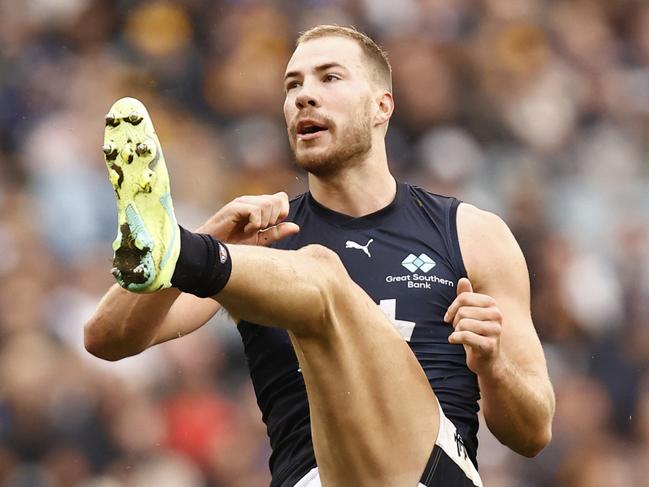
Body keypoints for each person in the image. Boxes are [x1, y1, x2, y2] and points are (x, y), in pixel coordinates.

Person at [85, 25, 555, 487]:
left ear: (381, 106)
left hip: (432, 474)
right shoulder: (262, 241)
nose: (304, 96)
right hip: (309, 480)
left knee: (322, 273)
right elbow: (106, 339)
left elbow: (533, 433)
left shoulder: (470, 233)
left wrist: (493, 365)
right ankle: (175, 248)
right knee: (309, 272)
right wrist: (213, 236)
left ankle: (181, 250)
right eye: (293, 85)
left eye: (329, 78)